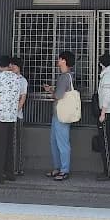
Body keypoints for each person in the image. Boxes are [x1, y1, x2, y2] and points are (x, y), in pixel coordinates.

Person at [43, 51, 74, 181]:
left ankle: (64, 170)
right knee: (56, 142)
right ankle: (58, 168)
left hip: (61, 114)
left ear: (64, 61)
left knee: (60, 143)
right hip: (60, 113)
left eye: (60, 59)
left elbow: (58, 95)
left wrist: (51, 91)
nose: (58, 60)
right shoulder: (68, 76)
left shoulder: (64, 77)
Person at [0, 55, 20, 184]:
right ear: (10, 65)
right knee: (9, 147)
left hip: (0, 116)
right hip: (12, 116)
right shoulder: (17, 78)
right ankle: (10, 173)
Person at [95, 52, 110, 181]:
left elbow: (107, 95)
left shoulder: (108, 77)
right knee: (106, 143)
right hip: (109, 113)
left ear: (101, 64)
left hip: (107, 114)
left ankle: (109, 172)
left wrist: (102, 113)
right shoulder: (109, 75)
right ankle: (108, 172)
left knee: (106, 144)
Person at [9, 56, 28, 176]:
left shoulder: (22, 80)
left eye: (13, 66)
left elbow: (23, 98)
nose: (11, 68)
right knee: (12, 142)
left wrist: (16, 110)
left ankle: (17, 167)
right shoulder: (9, 79)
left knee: (16, 143)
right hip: (10, 115)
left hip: (17, 115)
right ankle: (14, 167)